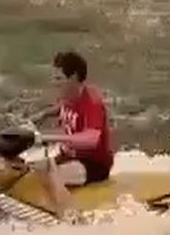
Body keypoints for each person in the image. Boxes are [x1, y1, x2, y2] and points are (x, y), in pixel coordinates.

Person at [30, 50, 114, 219]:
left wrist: (46, 138)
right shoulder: (69, 95)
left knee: (48, 174)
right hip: (69, 157)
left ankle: (72, 221)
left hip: (92, 165)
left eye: (59, 79)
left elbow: (91, 139)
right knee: (30, 170)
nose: (54, 83)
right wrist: (43, 115)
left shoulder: (92, 100)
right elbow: (63, 108)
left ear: (74, 77)